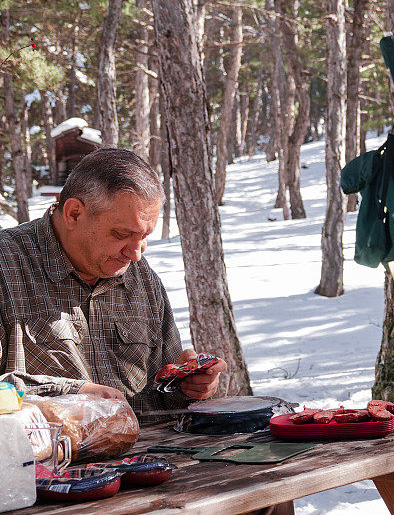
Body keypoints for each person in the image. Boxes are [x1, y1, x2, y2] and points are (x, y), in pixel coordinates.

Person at [0, 148, 227, 417]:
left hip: (149, 454)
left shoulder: (141, 277)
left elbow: (162, 395)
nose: (136, 252)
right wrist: (74, 395)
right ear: (74, 213)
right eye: (121, 234)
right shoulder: (7, 266)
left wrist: (186, 387)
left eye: (145, 236)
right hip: (44, 456)